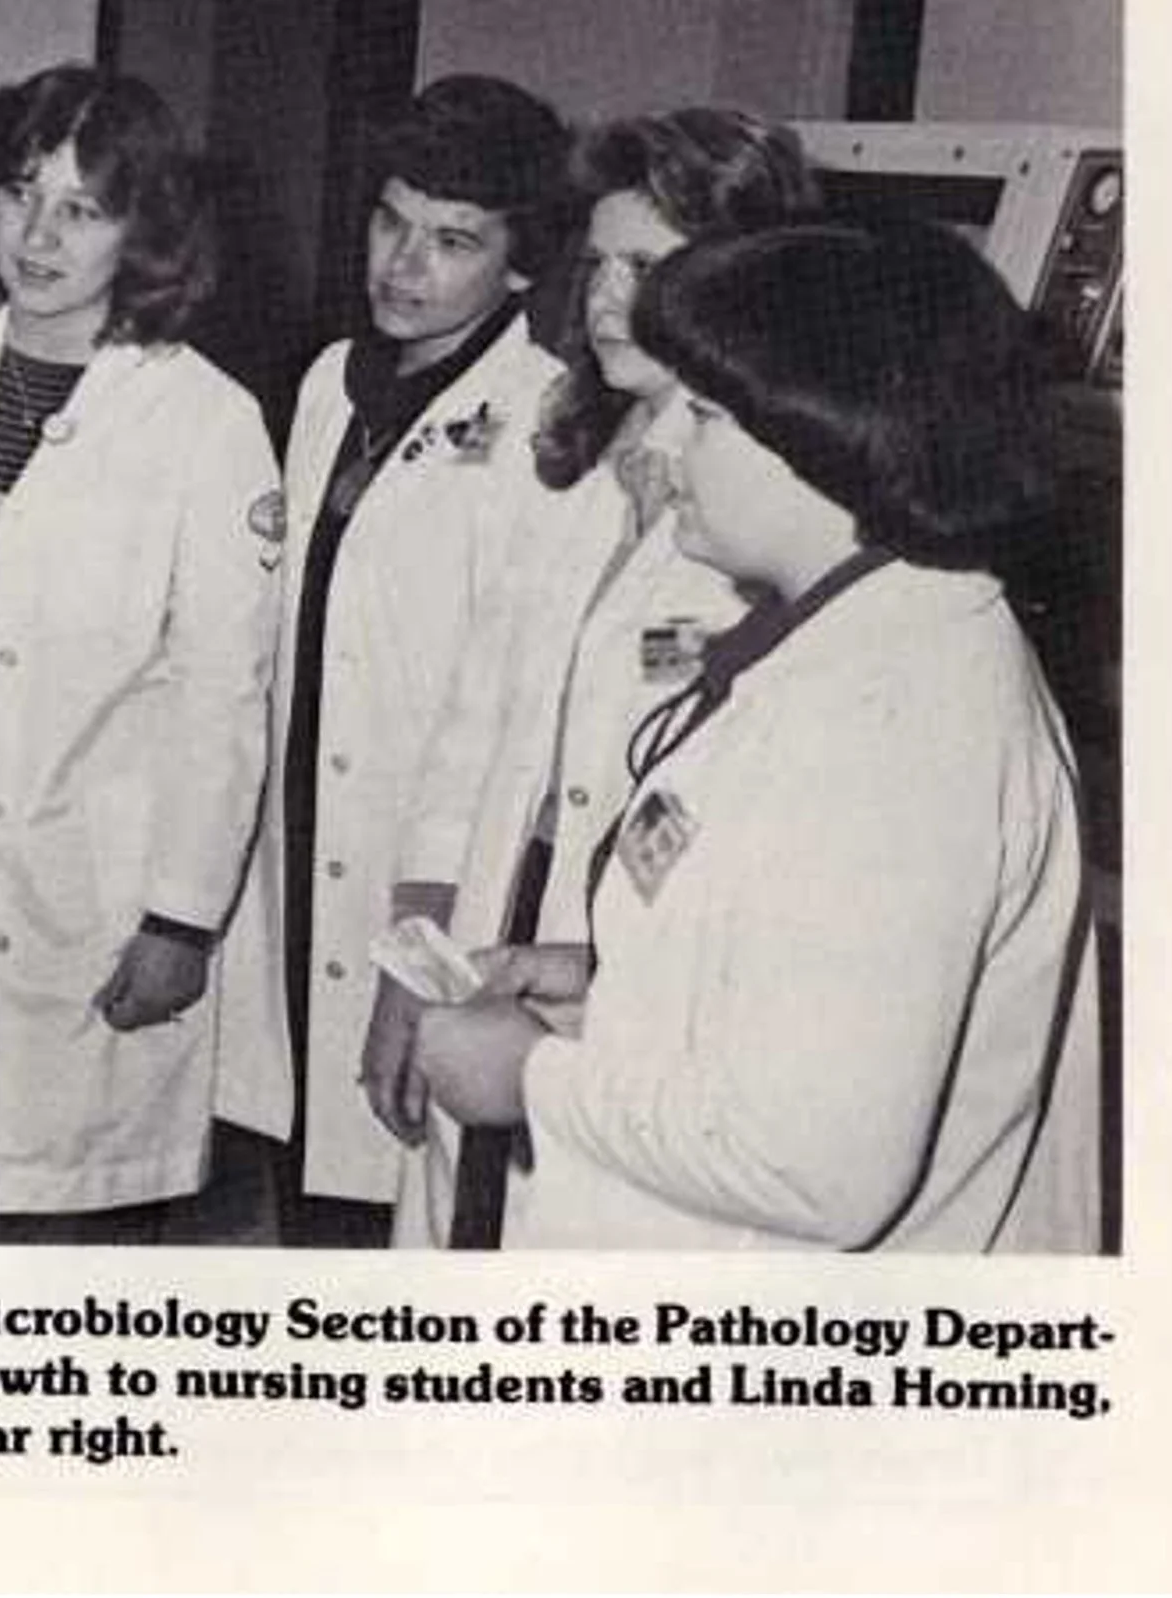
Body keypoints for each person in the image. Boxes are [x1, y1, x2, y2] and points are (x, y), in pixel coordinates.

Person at [410, 220, 1104, 1251]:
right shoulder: (843, 642)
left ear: (827, 431)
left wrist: (531, 1076)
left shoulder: (899, 730)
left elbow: (818, 1164)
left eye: (702, 413)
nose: (657, 444)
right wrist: (615, 982)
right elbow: (804, 984)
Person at [375, 108, 819, 1247]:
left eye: (650, 268)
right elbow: (471, 730)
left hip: (635, 979)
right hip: (496, 917)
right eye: (600, 263)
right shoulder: (564, 446)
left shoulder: (778, 508)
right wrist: (411, 965)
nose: (609, 297)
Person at [0, 64, 285, 1242]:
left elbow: (223, 691)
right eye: (19, 192)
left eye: (83, 208)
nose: (38, 235)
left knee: (66, 1241)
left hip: (92, 880)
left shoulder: (202, 419)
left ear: (142, 231)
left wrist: (181, 919)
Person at [214, 75, 571, 1247]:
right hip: (303, 837)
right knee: (301, 1180)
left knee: (391, 1216)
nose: (404, 264)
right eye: (390, 222)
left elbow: (499, 721)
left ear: (521, 265)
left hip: (426, 880)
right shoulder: (332, 380)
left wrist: (419, 958)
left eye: (453, 241)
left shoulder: (546, 422)